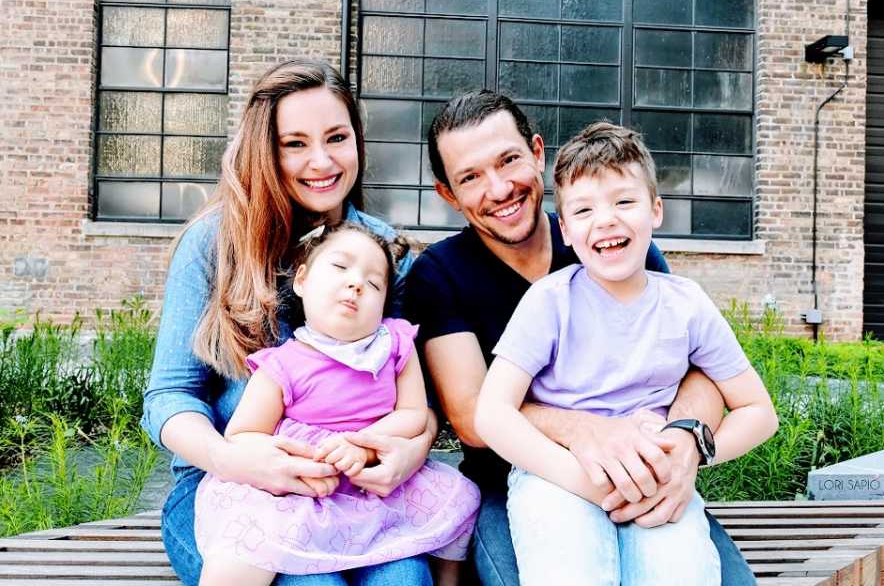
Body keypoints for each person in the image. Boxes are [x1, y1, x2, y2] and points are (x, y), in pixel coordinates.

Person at [403, 90, 759, 586]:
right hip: (517, 483)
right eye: (470, 177)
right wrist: (587, 430)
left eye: (509, 160)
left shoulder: (615, 246)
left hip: (643, 469)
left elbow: (699, 371)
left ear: (537, 152)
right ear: (448, 194)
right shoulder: (439, 275)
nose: (500, 187)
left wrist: (685, 446)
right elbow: (473, 418)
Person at [142, 60, 438, 586]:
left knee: (405, 580)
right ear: (266, 149)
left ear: (358, 142)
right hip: (231, 489)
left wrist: (410, 451)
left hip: (357, 490)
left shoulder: (384, 255)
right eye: (295, 143)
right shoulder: (213, 246)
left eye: (336, 138)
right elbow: (169, 396)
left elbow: (415, 399)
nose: (321, 161)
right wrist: (236, 460)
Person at [195, 222, 480, 586]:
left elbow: (411, 414)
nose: (356, 283)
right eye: (340, 267)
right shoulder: (282, 364)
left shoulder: (395, 345)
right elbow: (243, 434)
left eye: (374, 283)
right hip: (307, 491)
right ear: (301, 281)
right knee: (242, 548)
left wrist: (361, 443)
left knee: (458, 499)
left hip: (374, 487)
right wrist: (295, 458)